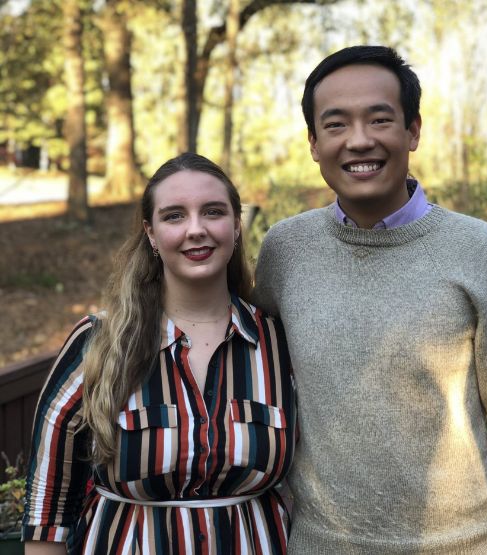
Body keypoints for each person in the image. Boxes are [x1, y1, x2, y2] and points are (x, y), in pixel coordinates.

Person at [253, 45, 487, 554]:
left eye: (379, 119)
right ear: (312, 142)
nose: (359, 141)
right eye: (335, 124)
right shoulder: (284, 250)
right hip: (314, 544)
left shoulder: (483, 252)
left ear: (413, 131)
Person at [23, 152, 296, 554]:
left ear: (236, 226)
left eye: (213, 212)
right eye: (174, 216)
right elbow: (49, 509)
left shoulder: (277, 342)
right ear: (151, 233)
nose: (196, 229)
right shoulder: (98, 342)